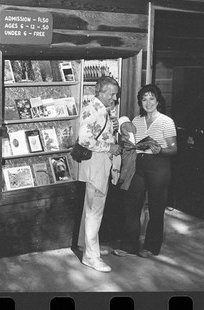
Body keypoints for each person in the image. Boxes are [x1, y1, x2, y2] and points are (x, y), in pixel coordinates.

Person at [114, 84, 177, 258]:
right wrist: (126, 144)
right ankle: (129, 246)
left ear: (158, 101)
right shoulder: (136, 120)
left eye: (151, 98)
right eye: (144, 99)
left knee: (156, 208)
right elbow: (130, 143)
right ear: (140, 102)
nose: (148, 102)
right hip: (138, 165)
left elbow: (174, 149)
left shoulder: (166, 121)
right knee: (131, 205)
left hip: (159, 166)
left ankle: (151, 247)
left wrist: (161, 150)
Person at [76, 76, 122, 272]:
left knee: (91, 209)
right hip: (96, 165)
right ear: (100, 92)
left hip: (100, 164)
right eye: (111, 94)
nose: (114, 98)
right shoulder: (92, 109)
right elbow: (84, 140)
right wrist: (110, 147)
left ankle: (86, 246)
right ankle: (91, 257)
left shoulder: (102, 109)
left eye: (116, 94)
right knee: (95, 211)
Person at [117, 116, 137, 190]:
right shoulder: (127, 125)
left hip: (129, 152)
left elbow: (130, 140)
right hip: (130, 152)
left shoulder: (125, 125)